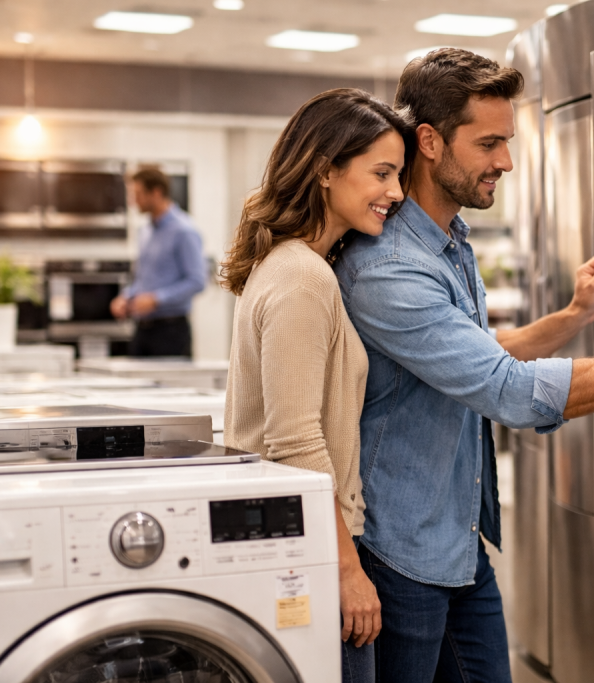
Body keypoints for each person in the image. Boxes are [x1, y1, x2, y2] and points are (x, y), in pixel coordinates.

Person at [334, 49, 594, 683]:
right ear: (429, 142)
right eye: (489, 144)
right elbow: (508, 391)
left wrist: (574, 315)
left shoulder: (447, 240)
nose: (507, 162)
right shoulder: (389, 268)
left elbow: (475, 356)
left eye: (507, 142)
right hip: (398, 558)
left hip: (456, 541)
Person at [221, 88, 414, 683]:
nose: (396, 193)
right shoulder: (304, 279)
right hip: (307, 551)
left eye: (399, 175)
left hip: (297, 541)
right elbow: (295, 443)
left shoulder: (296, 265)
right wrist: (347, 571)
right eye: (381, 173)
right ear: (325, 170)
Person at [110, 168, 206, 357]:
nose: (133, 201)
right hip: (142, 329)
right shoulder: (145, 231)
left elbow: (197, 281)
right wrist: (127, 296)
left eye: (138, 194)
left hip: (171, 331)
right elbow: (144, 279)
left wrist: (157, 300)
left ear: (156, 192)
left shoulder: (184, 231)